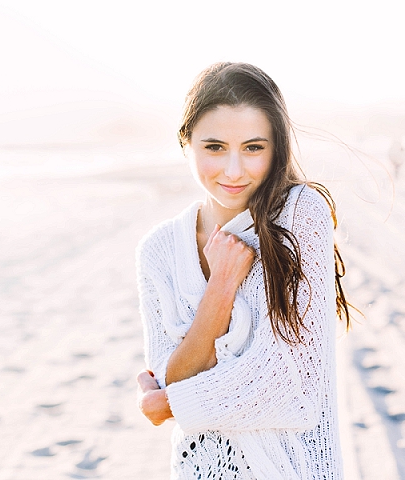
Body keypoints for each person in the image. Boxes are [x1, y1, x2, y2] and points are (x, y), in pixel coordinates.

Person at [135, 62, 351, 479]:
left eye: (254, 147)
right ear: (186, 143)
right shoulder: (158, 251)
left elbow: (292, 388)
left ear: (277, 148)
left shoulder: (300, 214)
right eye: (214, 147)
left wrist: (174, 403)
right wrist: (220, 288)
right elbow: (170, 375)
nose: (234, 171)